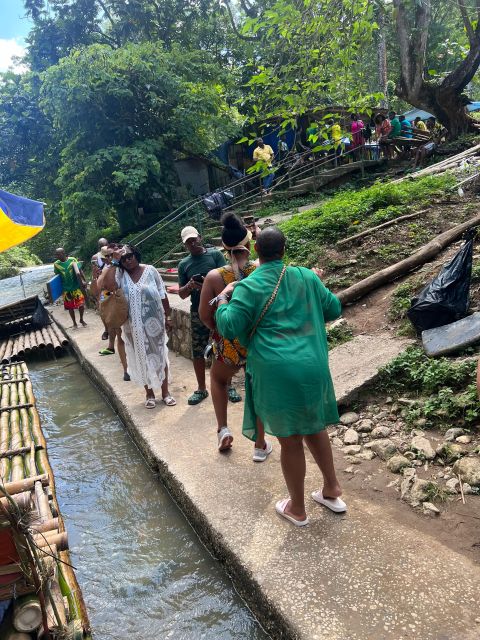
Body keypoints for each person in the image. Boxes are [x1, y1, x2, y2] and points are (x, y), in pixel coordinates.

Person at [214, 227, 346, 526]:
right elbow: (334, 308)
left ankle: (297, 509)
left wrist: (223, 299)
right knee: (315, 426)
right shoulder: (306, 276)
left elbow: (229, 327)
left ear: (256, 251)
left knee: (290, 440)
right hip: (313, 366)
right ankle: (331, 488)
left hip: (276, 371)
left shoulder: (247, 286)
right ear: (284, 250)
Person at [199, 213, 271, 459]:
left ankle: (223, 429)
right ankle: (260, 444)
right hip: (258, 340)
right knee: (257, 388)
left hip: (228, 343)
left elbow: (204, 315)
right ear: (249, 244)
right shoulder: (261, 270)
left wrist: (218, 330)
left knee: (219, 381)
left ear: (224, 248)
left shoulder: (214, 277)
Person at [98, 244, 175, 408]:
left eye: (130, 256)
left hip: (154, 322)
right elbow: (106, 285)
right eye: (124, 258)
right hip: (132, 326)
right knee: (140, 357)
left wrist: (167, 317)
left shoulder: (151, 270)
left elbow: (162, 294)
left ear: (136, 255)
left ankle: (165, 392)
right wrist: (114, 262)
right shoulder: (120, 274)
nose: (128, 260)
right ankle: (149, 394)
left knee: (160, 356)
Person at [177, 226, 227, 405]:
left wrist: (207, 283)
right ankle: (201, 388)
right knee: (197, 351)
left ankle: (229, 386)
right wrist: (191, 285)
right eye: (188, 242)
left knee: (225, 348)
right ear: (185, 245)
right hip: (198, 311)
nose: (193, 243)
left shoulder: (215, 256)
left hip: (219, 310)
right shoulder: (184, 264)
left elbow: (227, 281)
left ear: (200, 237)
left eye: (194, 239)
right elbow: (182, 294)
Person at [96, 246, 130, 382]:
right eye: (108, 256)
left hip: (127, 302)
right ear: (105, 258)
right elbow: (101, 286)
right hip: (116, 303)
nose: (111, 257)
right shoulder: (107, 268)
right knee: (119, 335)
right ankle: (126, 369)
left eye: (113, 255)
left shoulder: (126, 264)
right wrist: (113, 264)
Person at [54, 248, 87, 328]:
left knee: (81, 304)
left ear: (63, 253)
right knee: (70, 307)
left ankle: (81, 319)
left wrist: (84, 280)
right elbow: (57, 277)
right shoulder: (56, 264)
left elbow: (79, 271)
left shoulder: (72, 260)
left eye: (58, 254)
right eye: (56, 254)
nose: (57, 256)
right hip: (66, 289)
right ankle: (74, 323)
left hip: (76, 287)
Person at [91, 237, 109, 340]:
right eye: (101, 246)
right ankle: (106, 330)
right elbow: (95, 273)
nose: (104, 248)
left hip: (113, 287)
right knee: (102, 308)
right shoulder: (95, 258)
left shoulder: (112, 255)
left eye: (105, 245)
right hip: (103, 289)